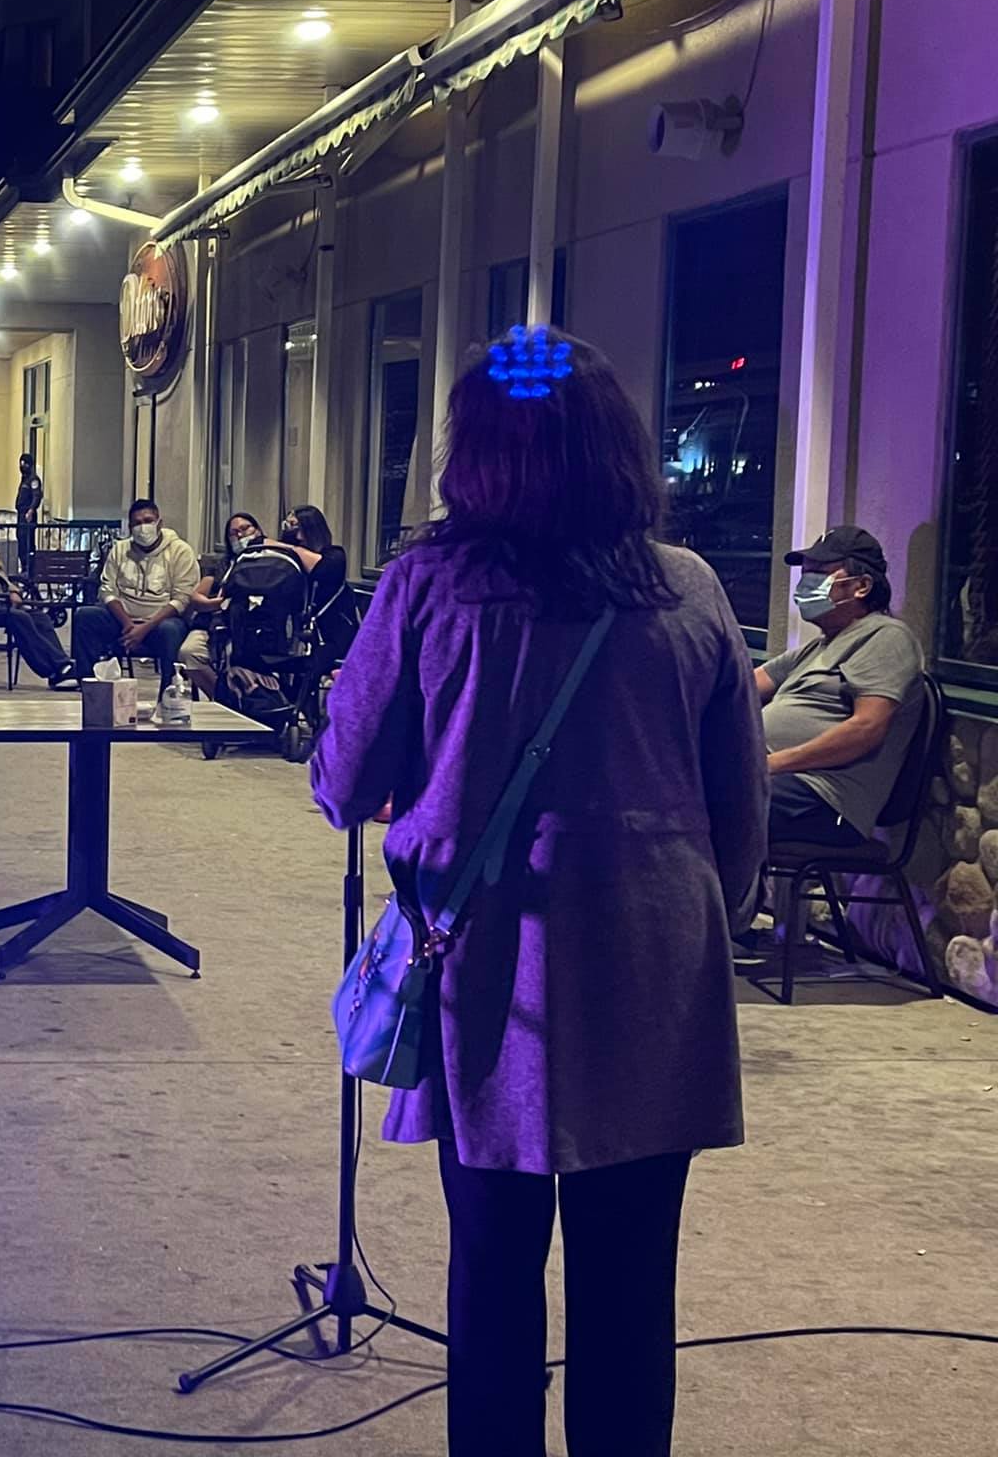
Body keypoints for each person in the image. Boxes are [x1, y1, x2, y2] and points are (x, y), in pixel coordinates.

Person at [311, 327, 768, 1457]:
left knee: (493, 1270)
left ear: (470, 454)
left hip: (486, 958)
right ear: (618, 445)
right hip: (655, 959)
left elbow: (347, 779)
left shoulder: (427, 584)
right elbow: (738, 808)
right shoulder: (692, 588)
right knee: (629, 1276)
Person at [756, 526, 925, 853]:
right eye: (805, 575)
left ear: (861, 586)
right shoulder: (819, 647)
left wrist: (770, 764)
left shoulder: (885, 637)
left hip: (823, 796)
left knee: (707, 799)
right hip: (785, 782)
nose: (806, 585)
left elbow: (866, 729)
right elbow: (739, 687)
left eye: (819, 574)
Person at [73, 499, 200, 683]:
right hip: (123, 622)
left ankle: (169, 693)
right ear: (130, 527)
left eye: (148, 521)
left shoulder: (180, 551)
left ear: (159, 523)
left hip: (161, 623)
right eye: (137, 523)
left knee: (170, 630)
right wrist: (128, 625)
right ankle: (89, 684)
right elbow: (108, 591)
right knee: (85, 616)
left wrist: (144, 629)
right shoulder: (120, 549)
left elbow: (181, 599)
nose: (143, 527)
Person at [0, 506, 77, 687]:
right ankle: (51, 669)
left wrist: (12, 590)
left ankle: (62, 666)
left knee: (40, 617)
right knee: (19, 617)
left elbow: (3, 576)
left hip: (1, 601)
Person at [177, 510, 271, 698]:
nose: (240, 535)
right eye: (233, 533)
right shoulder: (224, 564)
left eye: (245, 529)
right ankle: (223, 697)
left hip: (258, 627)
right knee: (188, 652)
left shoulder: (272, 560)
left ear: (258, 530)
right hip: (218, 622)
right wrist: (217, 604)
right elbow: (197, 597)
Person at [14, 453, 43, 563]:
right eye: (21, 463)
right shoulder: (24, 480)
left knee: (27, 543)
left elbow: (36, 496)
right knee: (21, 541)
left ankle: (29, 568)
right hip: (21, 515)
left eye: (25, 464)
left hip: (27, 516)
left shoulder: (33, 480)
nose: (22, 466)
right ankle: (24, 565)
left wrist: (31, 510)